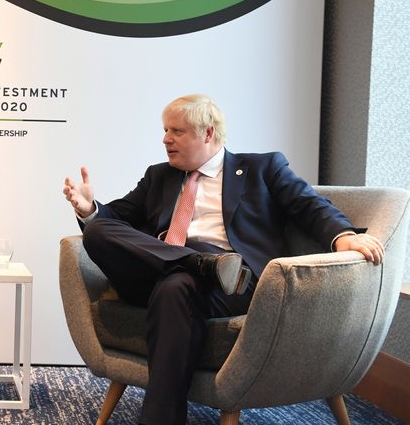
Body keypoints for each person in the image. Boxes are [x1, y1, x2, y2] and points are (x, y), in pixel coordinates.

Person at [62, 94, 385, 425]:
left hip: (231, 284)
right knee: (98, 230)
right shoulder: (158, 176)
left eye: (176, 131)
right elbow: (117, 218)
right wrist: (89, 210)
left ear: (207, 133)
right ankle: (195, 261)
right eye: (164, 130)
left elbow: (309, 204)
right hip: (155, 273)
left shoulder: (263, 168)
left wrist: (344, 235)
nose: (165, 139)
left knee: (176, 287)